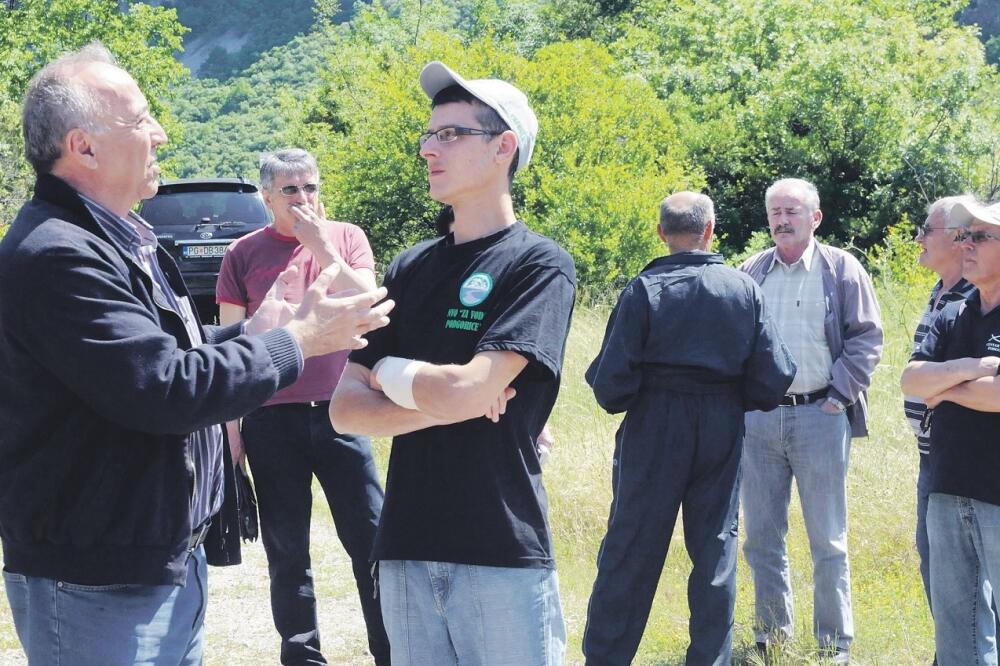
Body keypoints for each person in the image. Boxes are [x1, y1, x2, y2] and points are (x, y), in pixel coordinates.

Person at [0, 43, 392, 665]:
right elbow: (163, 386)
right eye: (140, 119)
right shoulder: (59, 253)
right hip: (98, 583)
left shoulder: (117, 239)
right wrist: (299, 341)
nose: (158, 134)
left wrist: (253, 334)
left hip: (153, 565)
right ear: (83, 146)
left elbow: (159, 357)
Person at [329, 61, 575, 665]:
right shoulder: (410, 268)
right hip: (405, 546)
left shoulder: (539, 265)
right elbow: (343, 410)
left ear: (503, 148)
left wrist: (392, 377)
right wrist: (452, 396)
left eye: (450, 134)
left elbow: (464, 391)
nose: (429, 151)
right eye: (428, 135)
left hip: (499, 548)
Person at [581, 192, 795, 665]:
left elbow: (610, 387)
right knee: (716, 547)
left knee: (631, 546)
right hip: (720, 422)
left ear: (662, 233)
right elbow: (775, 375)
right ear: (710, 230)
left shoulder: (643, 290)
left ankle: (606, 658)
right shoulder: (743, 289)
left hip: (655, 424)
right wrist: (734, 396)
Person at [216, 148, 389, 665]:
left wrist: (322, 247)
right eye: (290, 190)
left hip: (343, 412)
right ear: (266, 196)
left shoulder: (348, 237)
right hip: (272, 419)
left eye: (310, 187)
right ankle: (302, 656)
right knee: (287, 551)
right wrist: (232, 431)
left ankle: (390, 651)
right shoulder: (242, 254)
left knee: (371, 543)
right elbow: (232, 351)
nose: (303, 199)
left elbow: (372, 304)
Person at [739, 177, 883, 663]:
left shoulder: (841, 269)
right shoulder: (751, 271)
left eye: (791, 212)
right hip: (759, 421)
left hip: (821, 416)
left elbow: (867, 339)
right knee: (760, 536)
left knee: (828, 539)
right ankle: (772, 640)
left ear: (814, 218)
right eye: (775, 212)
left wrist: (838, 397)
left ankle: (833, 646)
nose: (781, 220)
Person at [901, 199, 1000, 666]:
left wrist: (946, 387)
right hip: (946, 484)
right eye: (965, 236)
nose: (968, 246)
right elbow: (911, 381)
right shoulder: (953, 312)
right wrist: (969, 371)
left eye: (981, 237)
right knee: (956, 629)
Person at [901, 196, 977, 622]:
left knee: (967, 574)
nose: (918, 238)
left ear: (958, 238)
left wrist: (939, 385)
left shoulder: (977, 299)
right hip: (932, 453)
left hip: (965, 459)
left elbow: (946, 385)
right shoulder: (942, 290)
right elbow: (918, 379)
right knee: (935, 561)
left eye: (927, 230)